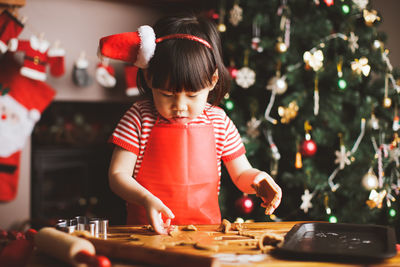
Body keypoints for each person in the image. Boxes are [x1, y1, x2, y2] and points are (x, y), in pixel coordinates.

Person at [99, 13, 282, 235]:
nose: (180, 106)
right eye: (167, 94)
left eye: (192, 95)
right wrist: (146, 199)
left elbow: (241, 174)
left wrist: (258, 179)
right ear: (149, 78)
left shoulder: (219, 121)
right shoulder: (139, 117)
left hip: (206, 234)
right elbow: (118, 175)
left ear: (212, 81)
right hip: (146, 232)